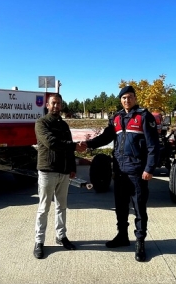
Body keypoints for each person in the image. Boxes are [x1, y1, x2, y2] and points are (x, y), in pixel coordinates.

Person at [79, 86, 160, 262]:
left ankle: (140, 241)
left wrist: (149, 169)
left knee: (139, 208)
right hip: (120, 170)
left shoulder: (144, 117)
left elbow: (154, 146)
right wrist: (88, 144)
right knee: (121, 206)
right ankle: (122, 236)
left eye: (130, 97)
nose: (126, 100)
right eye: (123, 98)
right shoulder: (117, 118)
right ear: (120, 100)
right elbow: (105, 138)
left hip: (137, 171)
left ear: (135, 98)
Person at [33, 93, 84, 259]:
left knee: (62, 207)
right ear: (47, 105)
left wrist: (72, 167)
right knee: (43, 208)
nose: (56, 106)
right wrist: (75, 146)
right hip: (48, 171)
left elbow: (68, 149)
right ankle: (39, 241)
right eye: (53, 103)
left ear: (61, 106)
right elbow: (52, 143)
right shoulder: (41, 123)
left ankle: (61, 236)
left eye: (58, 104)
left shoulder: (64, 125)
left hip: (63, 172)